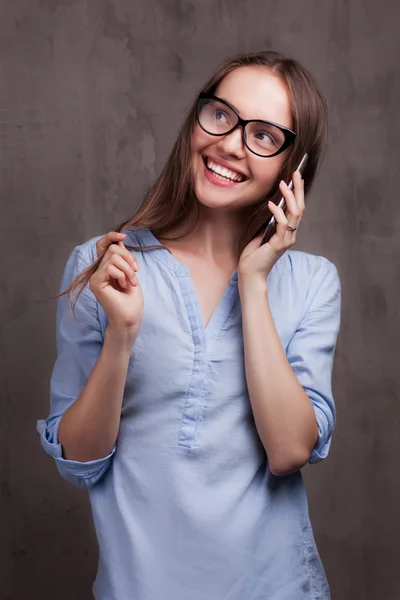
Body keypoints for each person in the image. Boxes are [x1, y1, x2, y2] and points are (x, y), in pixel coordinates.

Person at [37, 50, 341, 599]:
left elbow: (290, 449)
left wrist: (253, 281)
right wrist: (122, 338)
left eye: (265, 135)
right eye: (221, 115)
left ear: (293, 170)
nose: (229, 144)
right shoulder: (102, 266)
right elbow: (79, 462)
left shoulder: (313, 283)